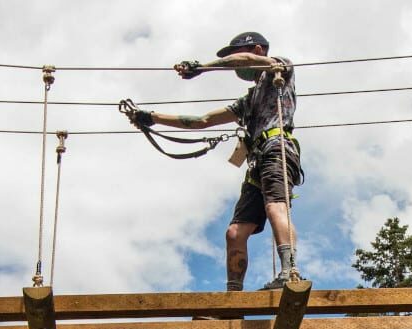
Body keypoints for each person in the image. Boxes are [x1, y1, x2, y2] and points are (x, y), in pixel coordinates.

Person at [127, 31, 303, 292]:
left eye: (235, 55)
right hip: (257, 161)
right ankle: (233, 298)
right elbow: (203, 121)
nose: (234, 64)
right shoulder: (248, 101)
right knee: (234, 233)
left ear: (258, 50)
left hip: (277, 148)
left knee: (275, 206)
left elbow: (242, 60)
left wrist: (203, 68)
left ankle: (290, 273)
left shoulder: (280, 68)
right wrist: (152, 117)